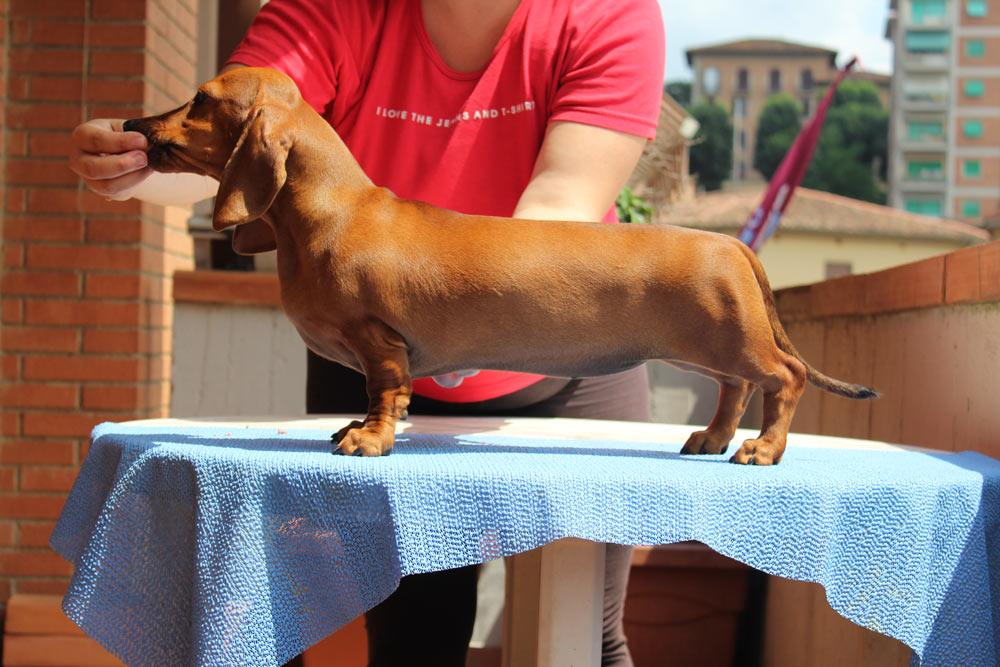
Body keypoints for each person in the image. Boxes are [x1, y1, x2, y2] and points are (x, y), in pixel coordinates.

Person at [69, 1, 665, 664]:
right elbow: (241, 136)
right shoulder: (332, 8)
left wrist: (473, 322)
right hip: (377, 367)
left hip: (569, 363)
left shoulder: (610, 13)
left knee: (585, 638)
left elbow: (562, 203)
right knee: (413, 639)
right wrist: (143, 162)